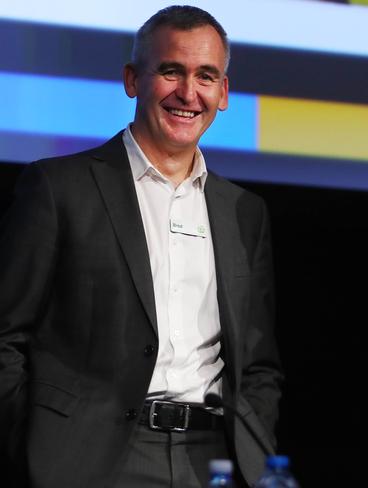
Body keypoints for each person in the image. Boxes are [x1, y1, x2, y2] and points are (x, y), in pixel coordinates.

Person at [0, 6, 282, 488]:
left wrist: (251, 454)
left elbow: (258, 362)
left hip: (212, 460)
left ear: (224, 93)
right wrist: (34, 453)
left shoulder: (244, 211)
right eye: (171, 71)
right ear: (133, 79)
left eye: (206, 76)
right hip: (86, 463)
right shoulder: (58, 187)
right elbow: (6, 337)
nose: (188, 93)